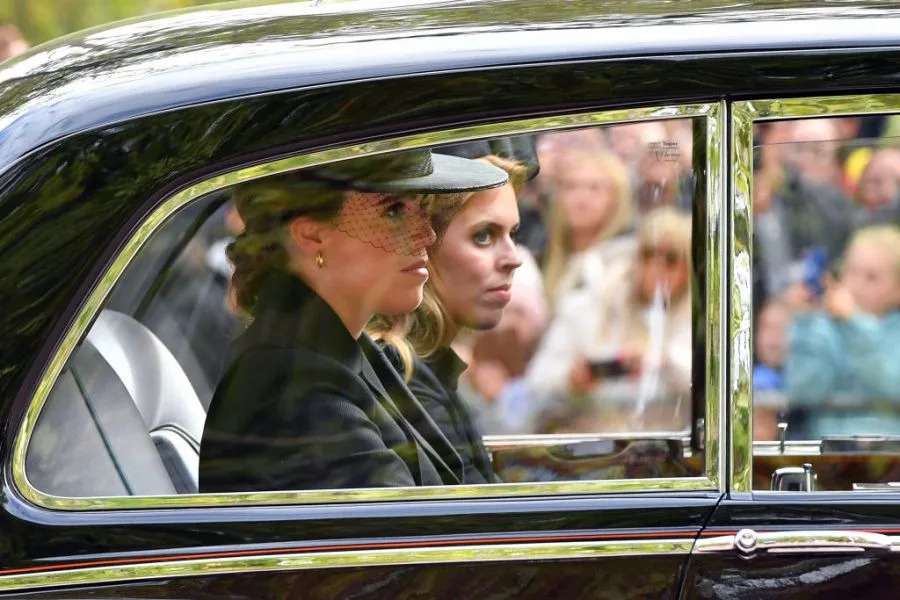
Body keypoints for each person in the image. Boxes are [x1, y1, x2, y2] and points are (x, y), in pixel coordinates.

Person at [199, 149, 509, 492]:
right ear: (312, 235)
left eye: (422, 208)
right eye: (393, 211)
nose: (427, 236)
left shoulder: (335, 350)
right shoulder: (300, 393)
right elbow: (412, 533)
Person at [372, 155, 525, 484]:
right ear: (420, 243)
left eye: (514, 233)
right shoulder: (403, 377)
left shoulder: (426, 367)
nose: (514, 259)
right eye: (484, 236)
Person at [526, 207, 693, 434]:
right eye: (648, 254)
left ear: (688, 268)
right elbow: (538, 380)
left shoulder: (701, 317)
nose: (656, 267)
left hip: (668, 439)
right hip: (591, 436)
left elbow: (716, 386)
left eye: (671, 259)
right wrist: (572, 379)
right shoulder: (590, 304)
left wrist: (663, 360)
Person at [785, 224, 900, 439]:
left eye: (871, 277)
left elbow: (891, 383)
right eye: (851, 271)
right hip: (830, 455)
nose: (856, 285)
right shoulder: (822, 326)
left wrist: (854, 323)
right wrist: (805, 321)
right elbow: (803, 392)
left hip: (892, 456)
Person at [542, 150, 634, 305]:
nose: (581, 197)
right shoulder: (542, 256)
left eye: (595, 188)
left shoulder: (626, 259)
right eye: (571, 186)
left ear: (617, 199)